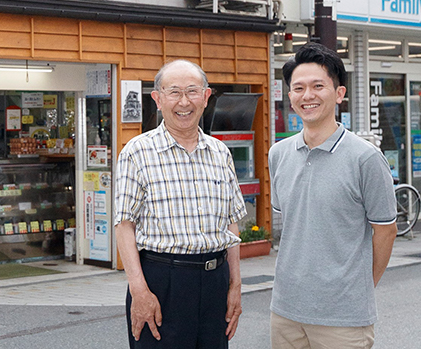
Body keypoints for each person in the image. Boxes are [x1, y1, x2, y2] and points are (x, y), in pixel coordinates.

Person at [269, 43, 397, 348]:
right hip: (285, 312)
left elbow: (386, 231)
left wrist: (359, 287)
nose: (307, 96)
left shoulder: (365, 158)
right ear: (290, 96)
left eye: (318, 86)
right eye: (298, 88)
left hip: (343, 319)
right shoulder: (278, 154)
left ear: (339, 94)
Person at [114, 60, 245, 348]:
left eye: (192, 92)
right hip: (162, 282)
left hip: (215, 281)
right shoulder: (138, 152)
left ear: (206, 97)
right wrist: (139, 291)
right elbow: (124, 226)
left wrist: (235, 285)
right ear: (157, 99)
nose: (184, 102)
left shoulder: (220, 152)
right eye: (174, 92)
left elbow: (231, 222)